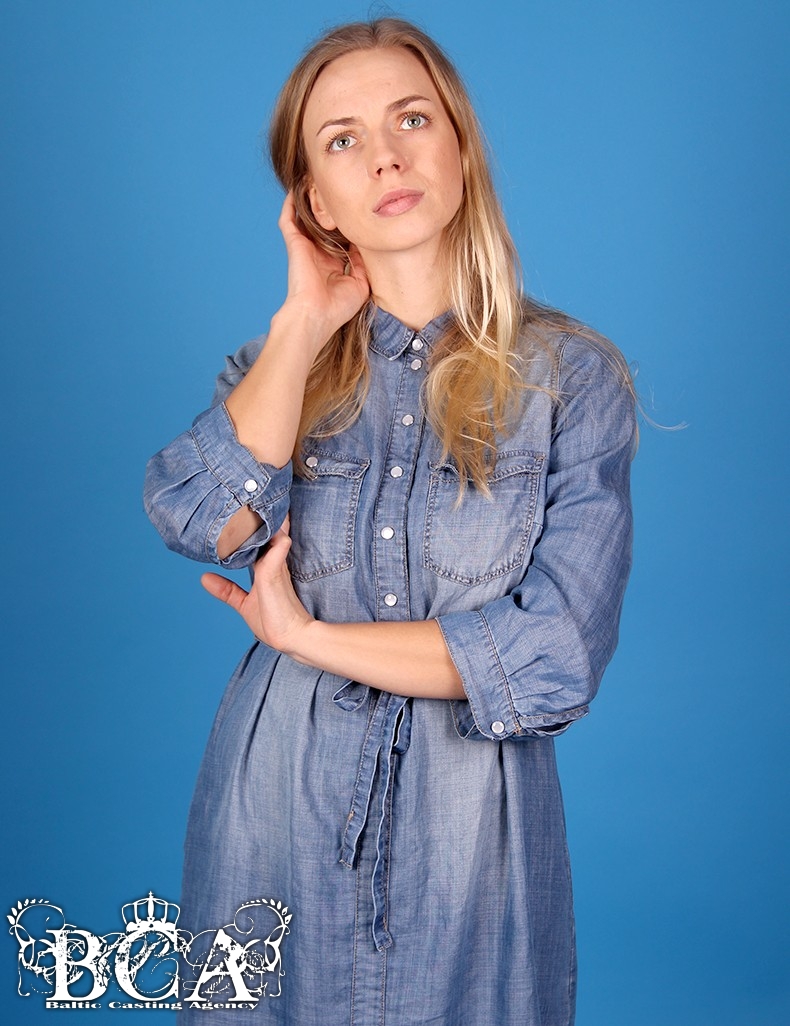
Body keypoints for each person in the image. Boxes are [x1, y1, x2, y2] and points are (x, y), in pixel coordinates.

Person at [144, 17, 635, 1026]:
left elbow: (553, 657)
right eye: (343, 139)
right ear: (314, 201)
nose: (386, 156)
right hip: (275, 813)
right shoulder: (271, 374)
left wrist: (307, 637)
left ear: (459, 144)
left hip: (476, 837)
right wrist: (301, 323)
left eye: (412, 119)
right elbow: (198, 519)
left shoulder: (571, 379)